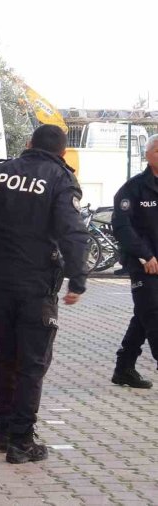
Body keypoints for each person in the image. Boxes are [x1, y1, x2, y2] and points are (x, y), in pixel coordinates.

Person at [0, 124, 88, 464]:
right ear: (63, 152)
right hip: (37, 286)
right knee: (32, 363)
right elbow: (73, 232)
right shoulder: (59, 179)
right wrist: (78, 278)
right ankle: (22, 440)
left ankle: (5, 431)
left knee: (5, 356)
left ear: (29, 144)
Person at [110, 134, 158, 389]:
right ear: (148, 155)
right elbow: (122, 226)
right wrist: (145, 255)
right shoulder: (133, 188)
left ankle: (124, 369)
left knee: (143, 316)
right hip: (145, 265)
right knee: (154, 314)